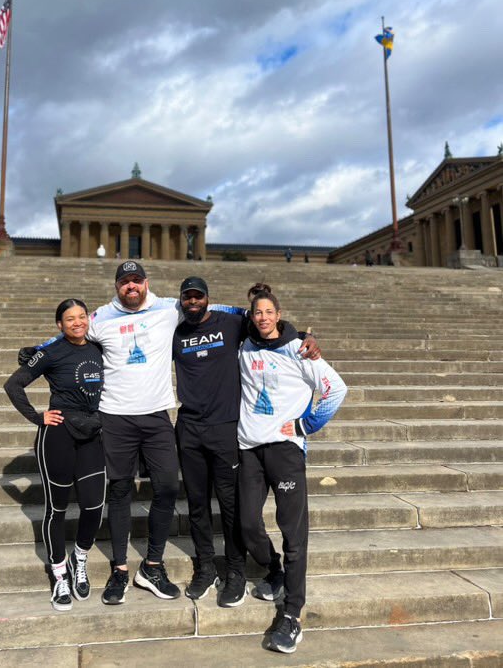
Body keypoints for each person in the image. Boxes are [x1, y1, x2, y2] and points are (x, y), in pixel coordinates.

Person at [21, 261, 247, 606]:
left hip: (157, 416)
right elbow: (71, 332)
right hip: (115, 418)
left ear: (146, 282)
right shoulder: (99, 317)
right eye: (125, 281)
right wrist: (39, 350)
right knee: (121, 491)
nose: (131, 286)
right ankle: (121, 569)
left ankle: (152, 566)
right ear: (116, 286)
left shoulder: (169, 307)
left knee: (169, 487)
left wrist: (289, 330)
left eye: (136, 280)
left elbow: (221, 309)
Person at [173, 278, 320, 609]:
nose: (193, 301)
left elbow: (268, 322)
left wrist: (302, 336)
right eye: (188, 297)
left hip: (226, 429)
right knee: (196, 505)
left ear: (208, 298)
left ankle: (236, 572)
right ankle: (206, 567)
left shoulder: (231, 321)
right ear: (181, 300)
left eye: (199, 296)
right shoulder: (175, 329)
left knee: (231, 507)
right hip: (189, 428)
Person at [237, 285, 347, 655]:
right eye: (257, 312)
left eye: (269, 312)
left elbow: (336, 389)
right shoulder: (244, 346)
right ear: (251, 316)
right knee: (248, 523)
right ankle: (276, 572)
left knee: (293, 533)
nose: (263, 317)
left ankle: (293, 614)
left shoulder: (299, 349)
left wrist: (306, 425)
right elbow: (217, 309)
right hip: (250, 448)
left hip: (285, 449)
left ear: (279, 315)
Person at [4, 299, 105, 611]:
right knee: (56, 509)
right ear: (59, 325)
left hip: (91, 434)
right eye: (69, 319)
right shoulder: (50, 353)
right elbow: (14, 385)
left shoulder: (98, 348)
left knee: (94, 506)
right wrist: (38, 418)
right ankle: (59, 574)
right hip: (58, 435)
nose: (77, 323)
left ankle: (80, 558)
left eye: (81, 317)